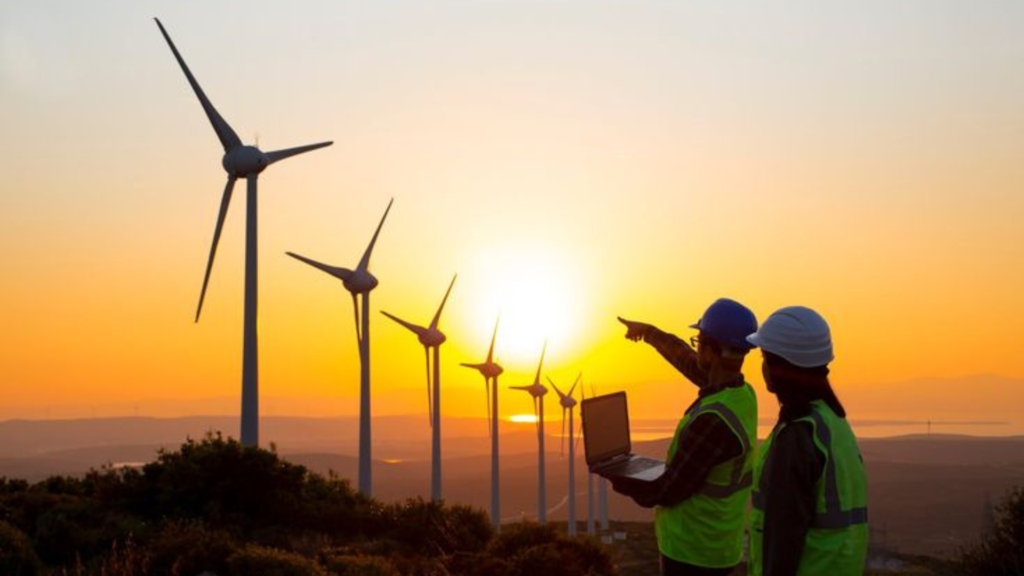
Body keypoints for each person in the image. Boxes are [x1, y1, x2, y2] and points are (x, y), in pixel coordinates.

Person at [614, 298, 759, 576]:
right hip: (720, 546)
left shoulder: (713, 421)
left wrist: (619, 475)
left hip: (693, 552)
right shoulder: (741, 395)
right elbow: (689, 362)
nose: (696, 349)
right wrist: (649, 332)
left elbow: (666, 491)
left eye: (699, 341)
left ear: (712, 351)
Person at [745, 306, 868, 576]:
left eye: (766, 357)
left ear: (781, 366)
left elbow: (783, 539)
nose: (762, 366)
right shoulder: (834, 424)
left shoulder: (798, 437)